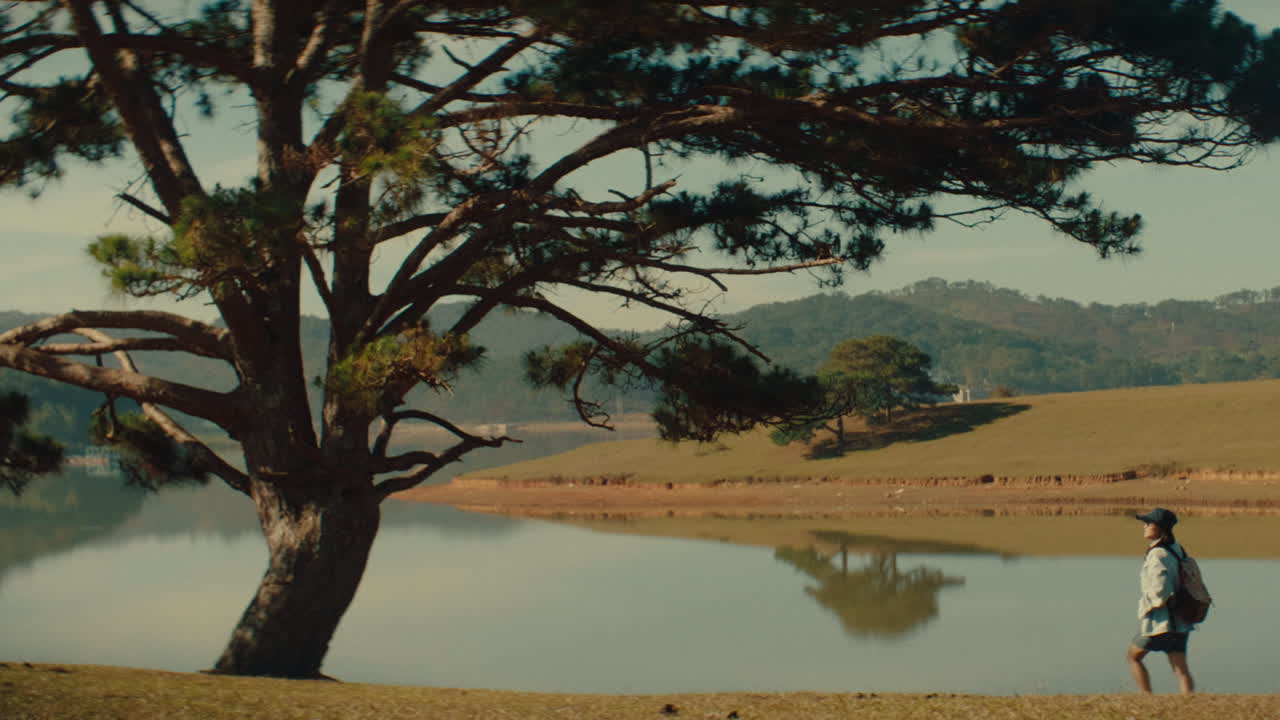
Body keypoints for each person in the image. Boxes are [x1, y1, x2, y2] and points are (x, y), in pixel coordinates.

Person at [1126, 507, 1195, 694]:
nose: (1145, 527)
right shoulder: (1176, 549)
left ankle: (1146, 698)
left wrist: (1147, 607)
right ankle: (1189, 704)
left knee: (1133, 657)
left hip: (1161, 622)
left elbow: (1159, 591)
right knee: (1181, 670)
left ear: (1160, 528)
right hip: (1181, 621)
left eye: (1149, 523)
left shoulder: (1157, 554)